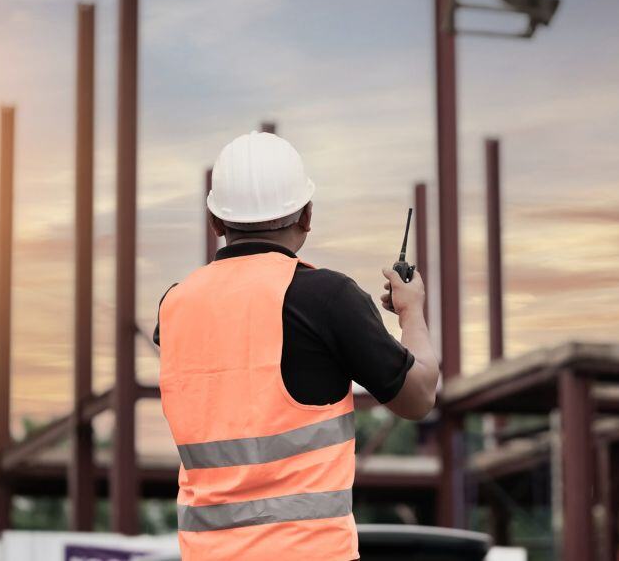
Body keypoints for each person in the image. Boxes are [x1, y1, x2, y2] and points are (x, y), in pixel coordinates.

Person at [154, 131, 439, 561]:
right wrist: (411, 311)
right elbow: (418, 397)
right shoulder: (326, 299)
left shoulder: (173, 307)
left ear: (215, 222)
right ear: (307, 215)